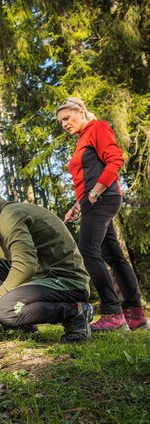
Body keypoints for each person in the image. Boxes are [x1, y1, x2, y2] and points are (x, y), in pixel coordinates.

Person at [0, 180, 94, 343]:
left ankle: (75, 312)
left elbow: (25, 265)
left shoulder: (9, 215)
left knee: (2, 310)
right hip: (42, 277)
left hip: (67, 282)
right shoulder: (0, 219)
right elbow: (16, 263)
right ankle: (23, 325)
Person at [55, 97, 147, 331]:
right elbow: (87, 177)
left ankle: (112, 313)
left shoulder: (98, 127)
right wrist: (78, 204)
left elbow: (115, 160)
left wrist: (95, 193)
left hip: (103, 199)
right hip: (93, 202)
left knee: (88, 252)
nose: (64, 124)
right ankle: (135, 314)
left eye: (67, 118)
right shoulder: (81, 140)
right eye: (60, 122)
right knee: (114, 255)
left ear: (82, 112)